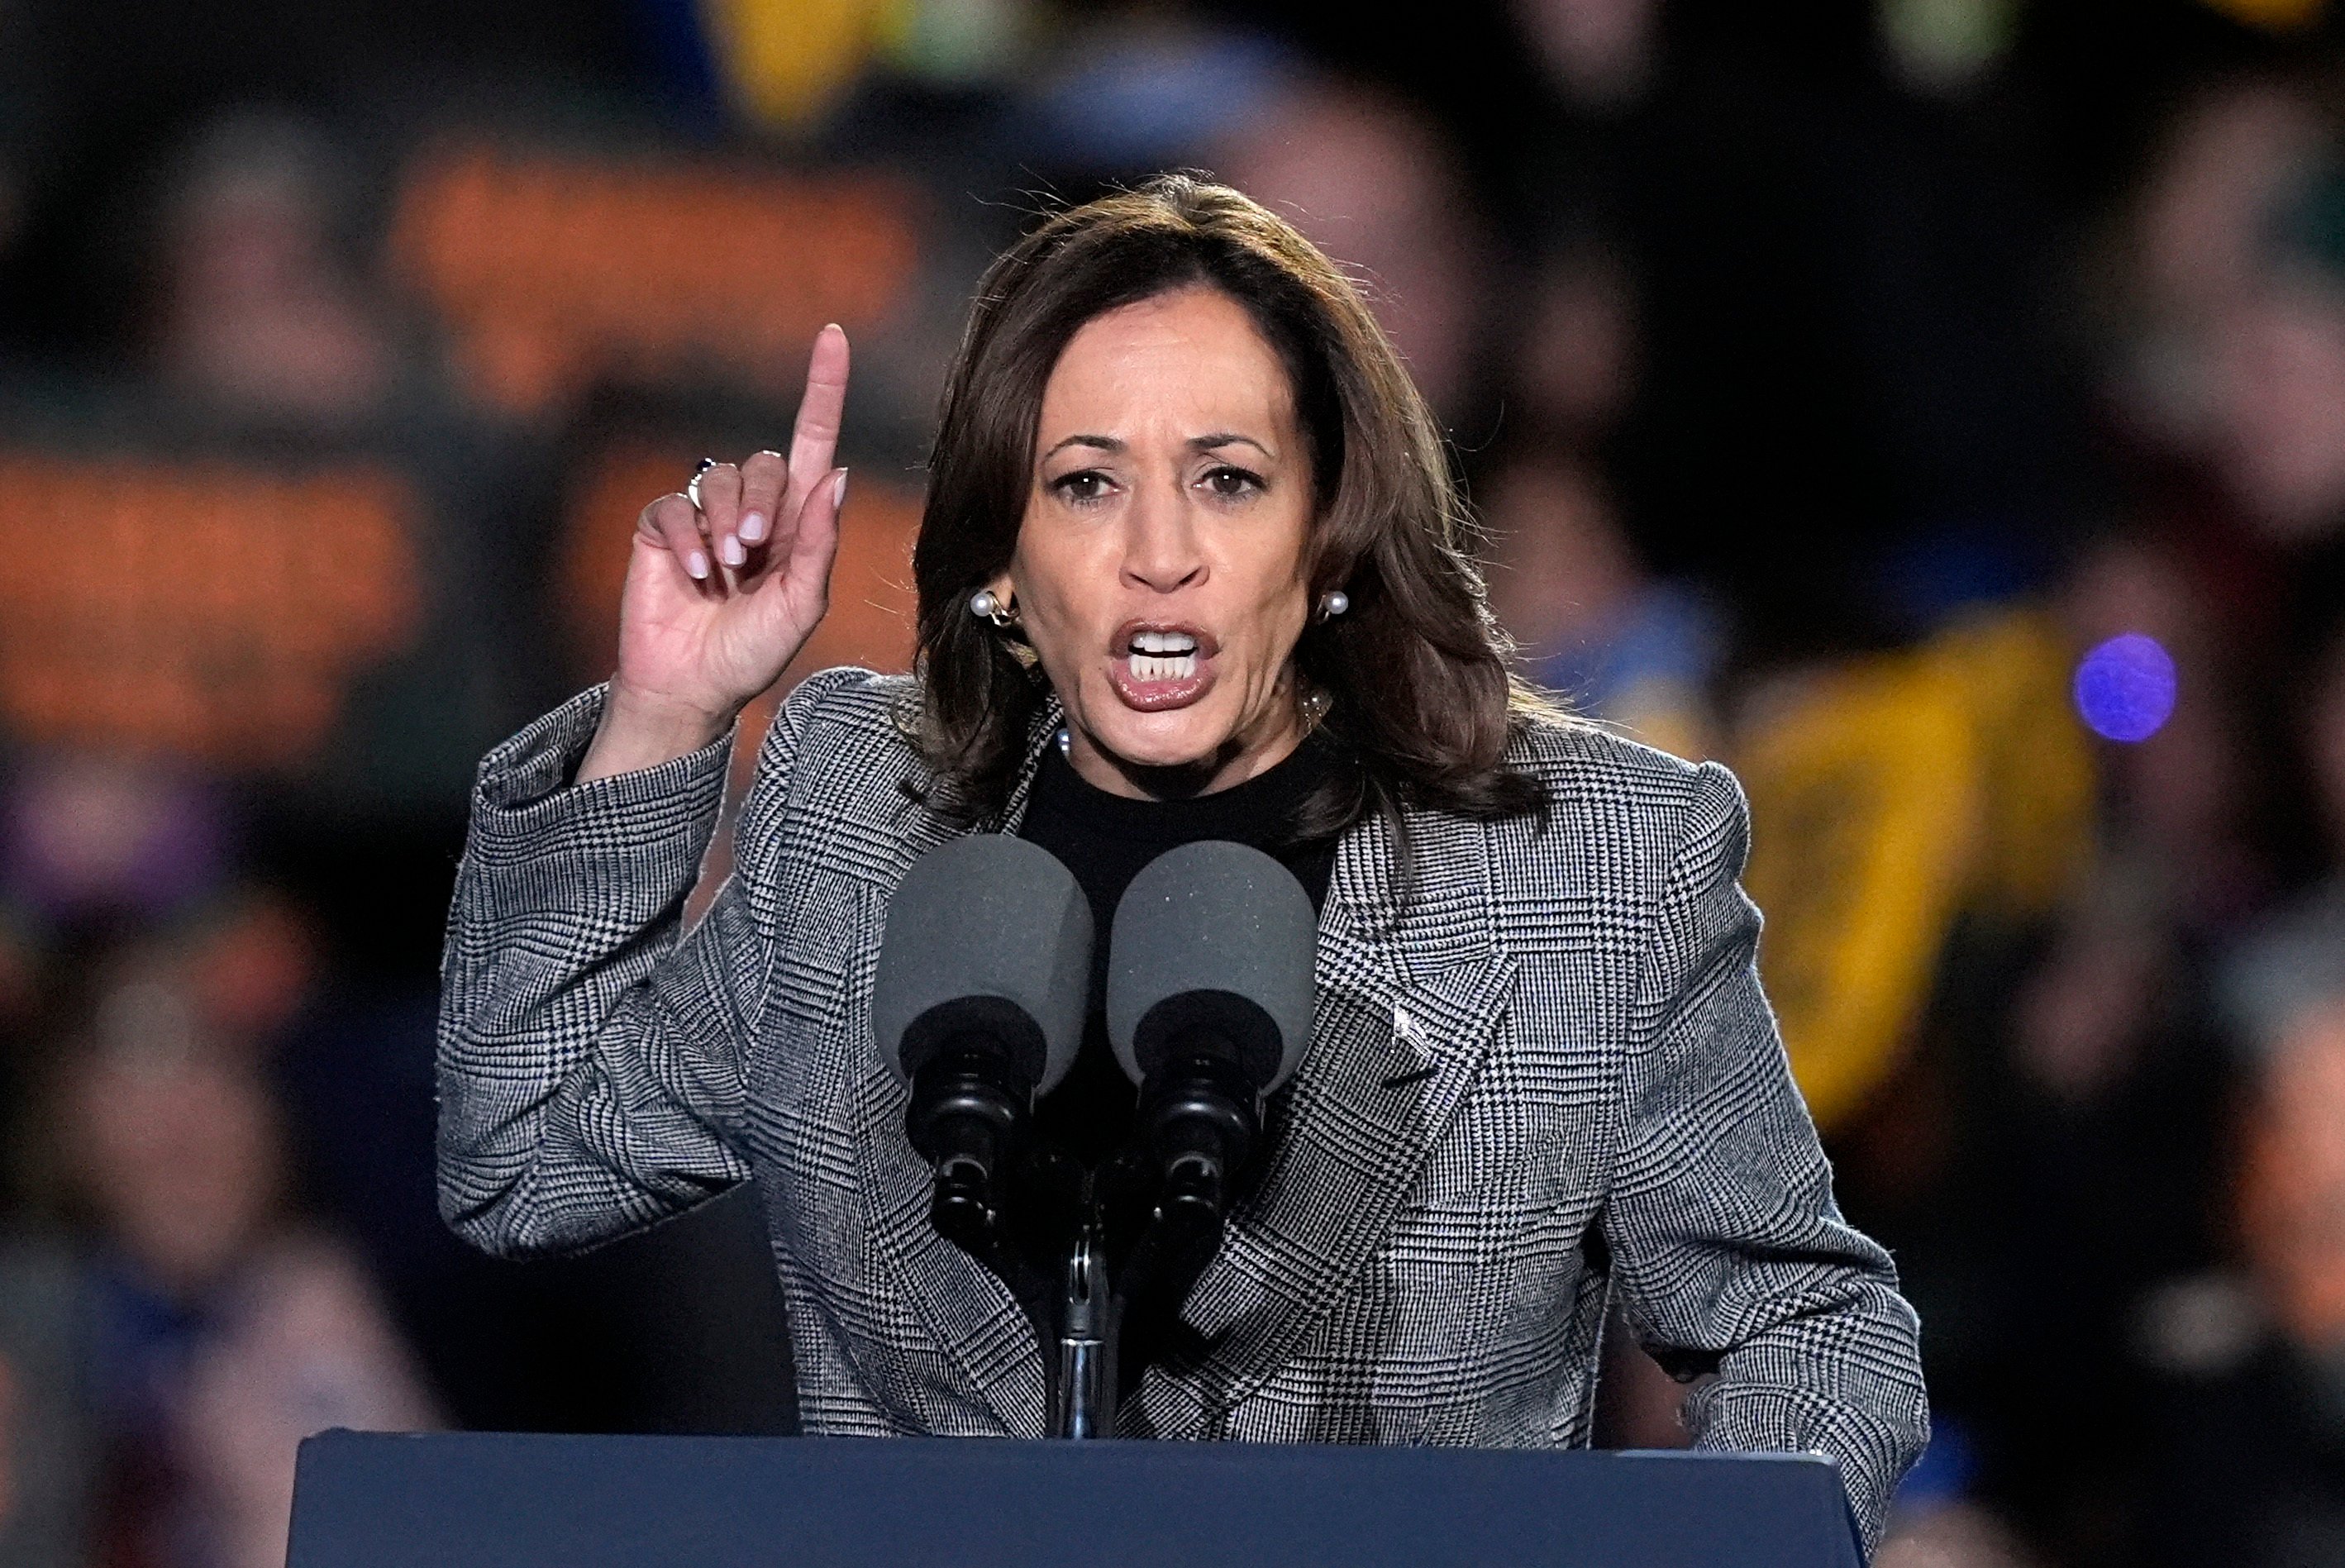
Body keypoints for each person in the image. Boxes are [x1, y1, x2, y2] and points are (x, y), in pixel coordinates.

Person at [436, 175, 1927, 1551]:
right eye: (1087, 482)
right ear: (1002, 562)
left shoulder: (1588, 873)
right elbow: (521, 1157)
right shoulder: (851, 814)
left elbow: (1809, 1329)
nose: (1160, 550)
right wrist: (668, 707)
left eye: (1225, 478)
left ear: (1330, 536)